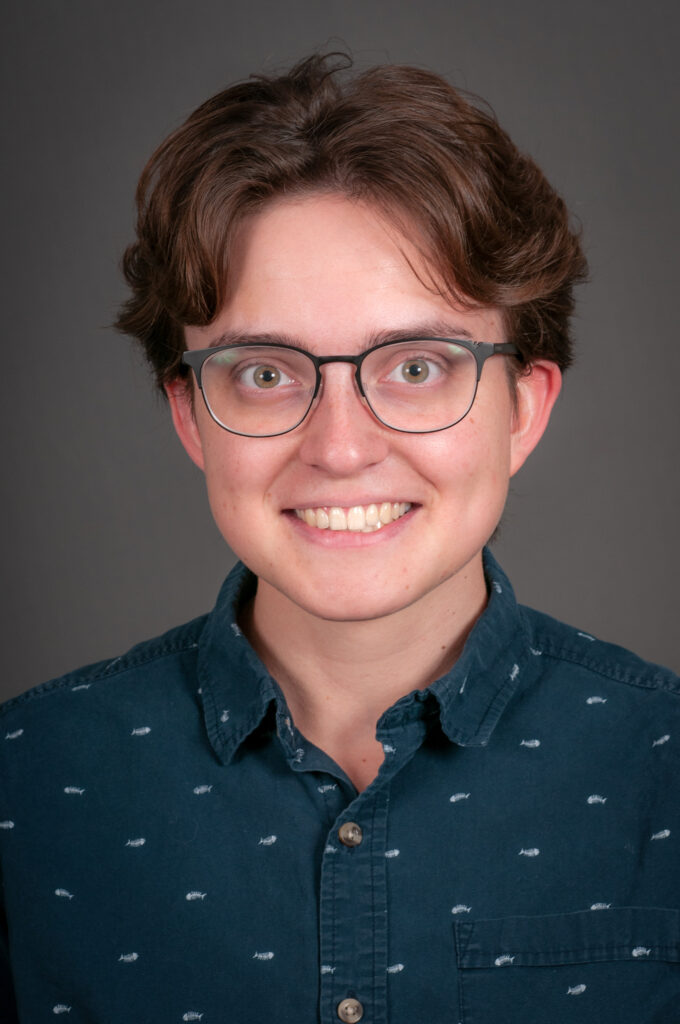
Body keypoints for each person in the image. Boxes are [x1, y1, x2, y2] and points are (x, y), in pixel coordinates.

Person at [1, 53, 678, 1024]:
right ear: (190, 417)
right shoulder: (25, 784)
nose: (341, 447)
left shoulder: (662, 768)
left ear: (521, 412)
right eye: (266, 374)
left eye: (414, 366)